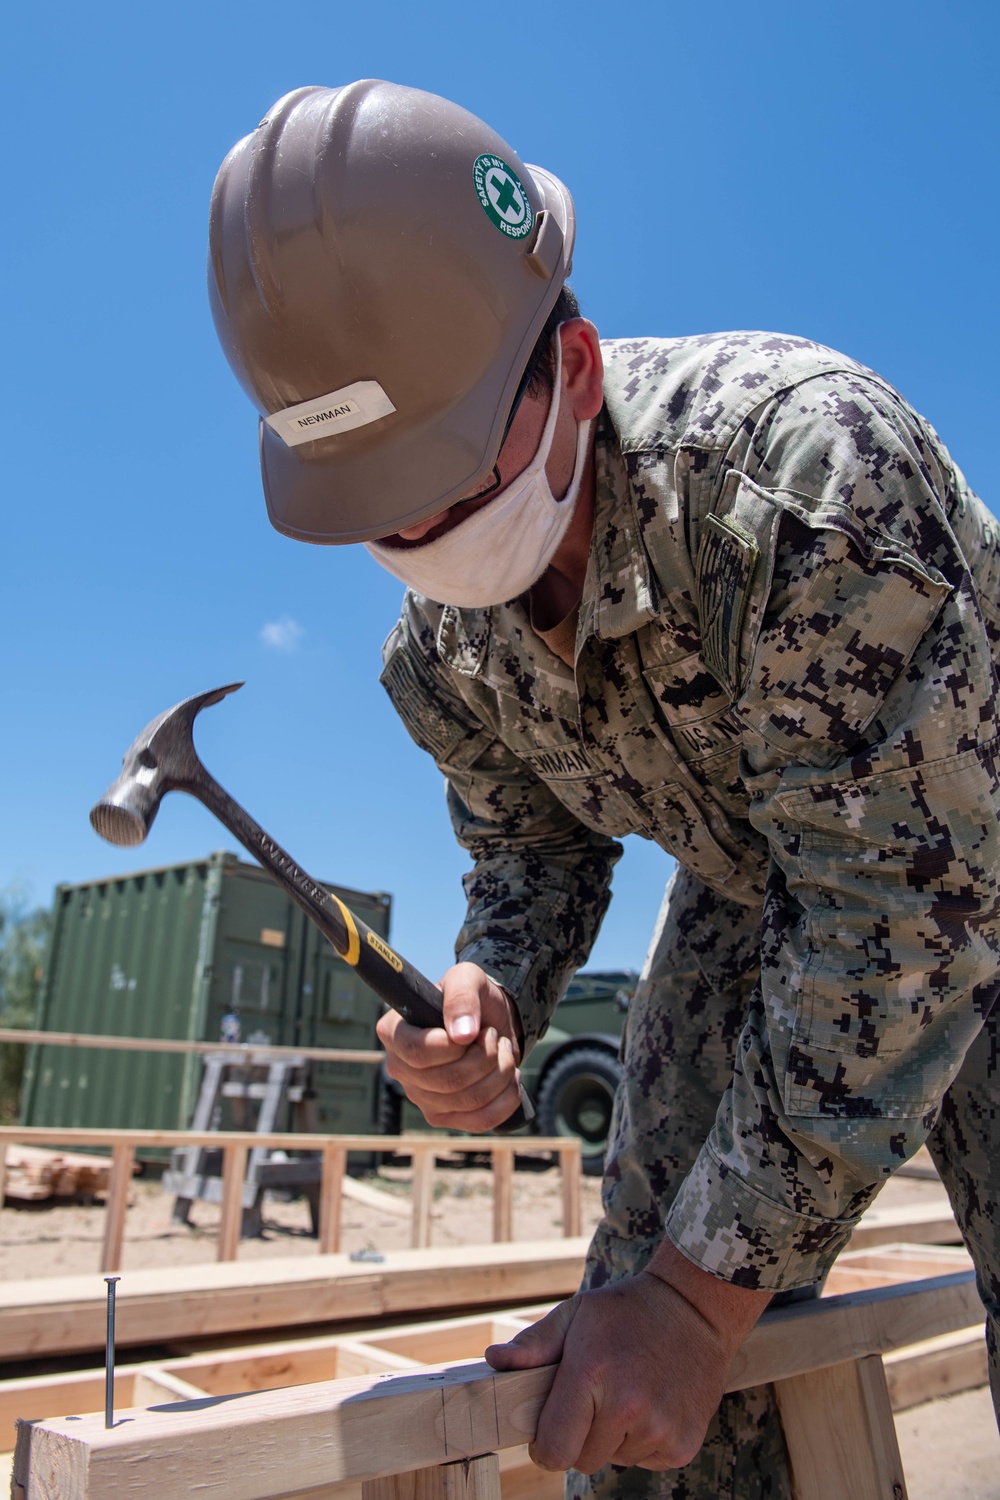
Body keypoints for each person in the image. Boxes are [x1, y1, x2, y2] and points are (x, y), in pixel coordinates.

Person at [208, 81, 1000, 1499]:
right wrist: (493, 987)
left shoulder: (803, 480)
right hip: (762, 880)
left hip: (955, 855)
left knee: (691, 1304)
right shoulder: (444, 647)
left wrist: (707, 1305)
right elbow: (536, 849)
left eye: (445, 478)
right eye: (372, 508)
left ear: (572, 368)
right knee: (630, 1357)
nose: (417, 536)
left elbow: (896, 926)